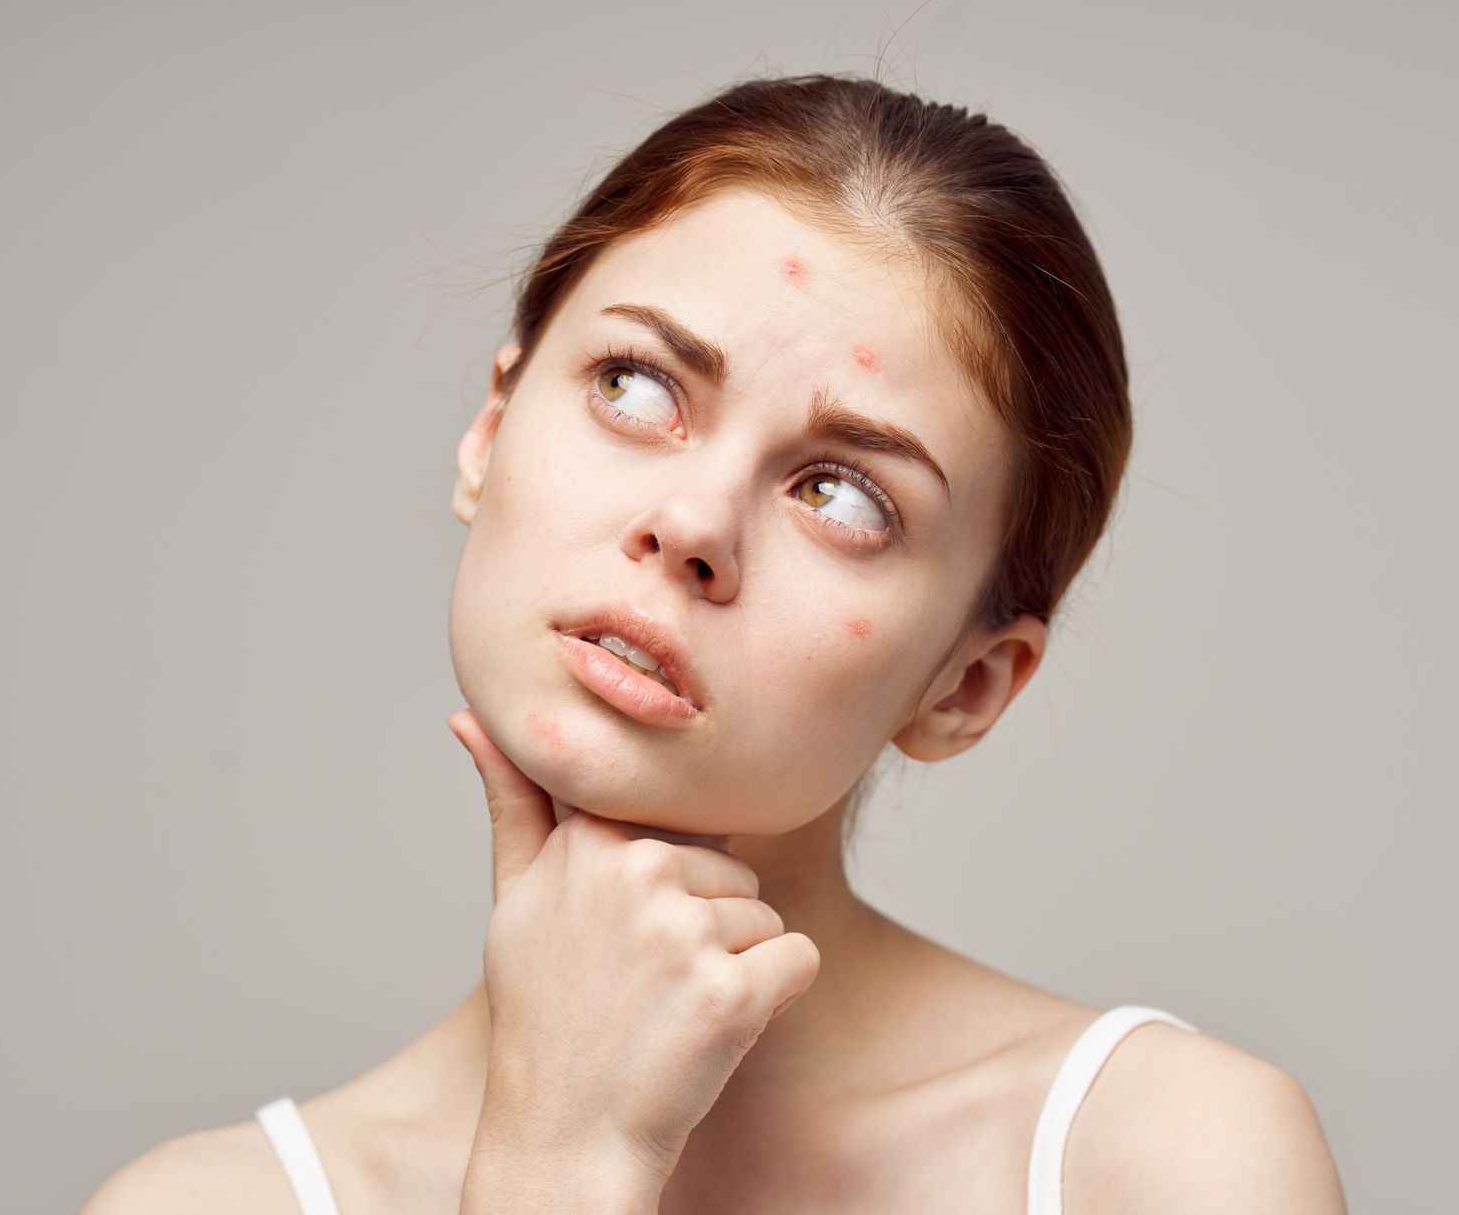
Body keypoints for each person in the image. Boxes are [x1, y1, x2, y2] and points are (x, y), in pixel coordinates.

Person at [82, 73, 1347, 1215]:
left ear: (966, 688)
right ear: (490, 431)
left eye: (844, 494)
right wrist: (555, 1157)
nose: (690, 524)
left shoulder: (1163, 1161)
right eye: (637, 386)